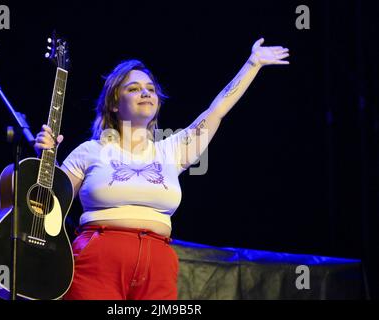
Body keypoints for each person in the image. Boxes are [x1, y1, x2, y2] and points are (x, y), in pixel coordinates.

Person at [34, 38, 289, 300]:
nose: (145, 93)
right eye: (133, 88)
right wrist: (45, 158)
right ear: (113, 102)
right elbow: (49, 208)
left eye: (150, 89)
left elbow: (217, 110)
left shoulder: (173, 150)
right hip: (97, 263)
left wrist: (252, 63)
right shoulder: (90, 151)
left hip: (157, 267)